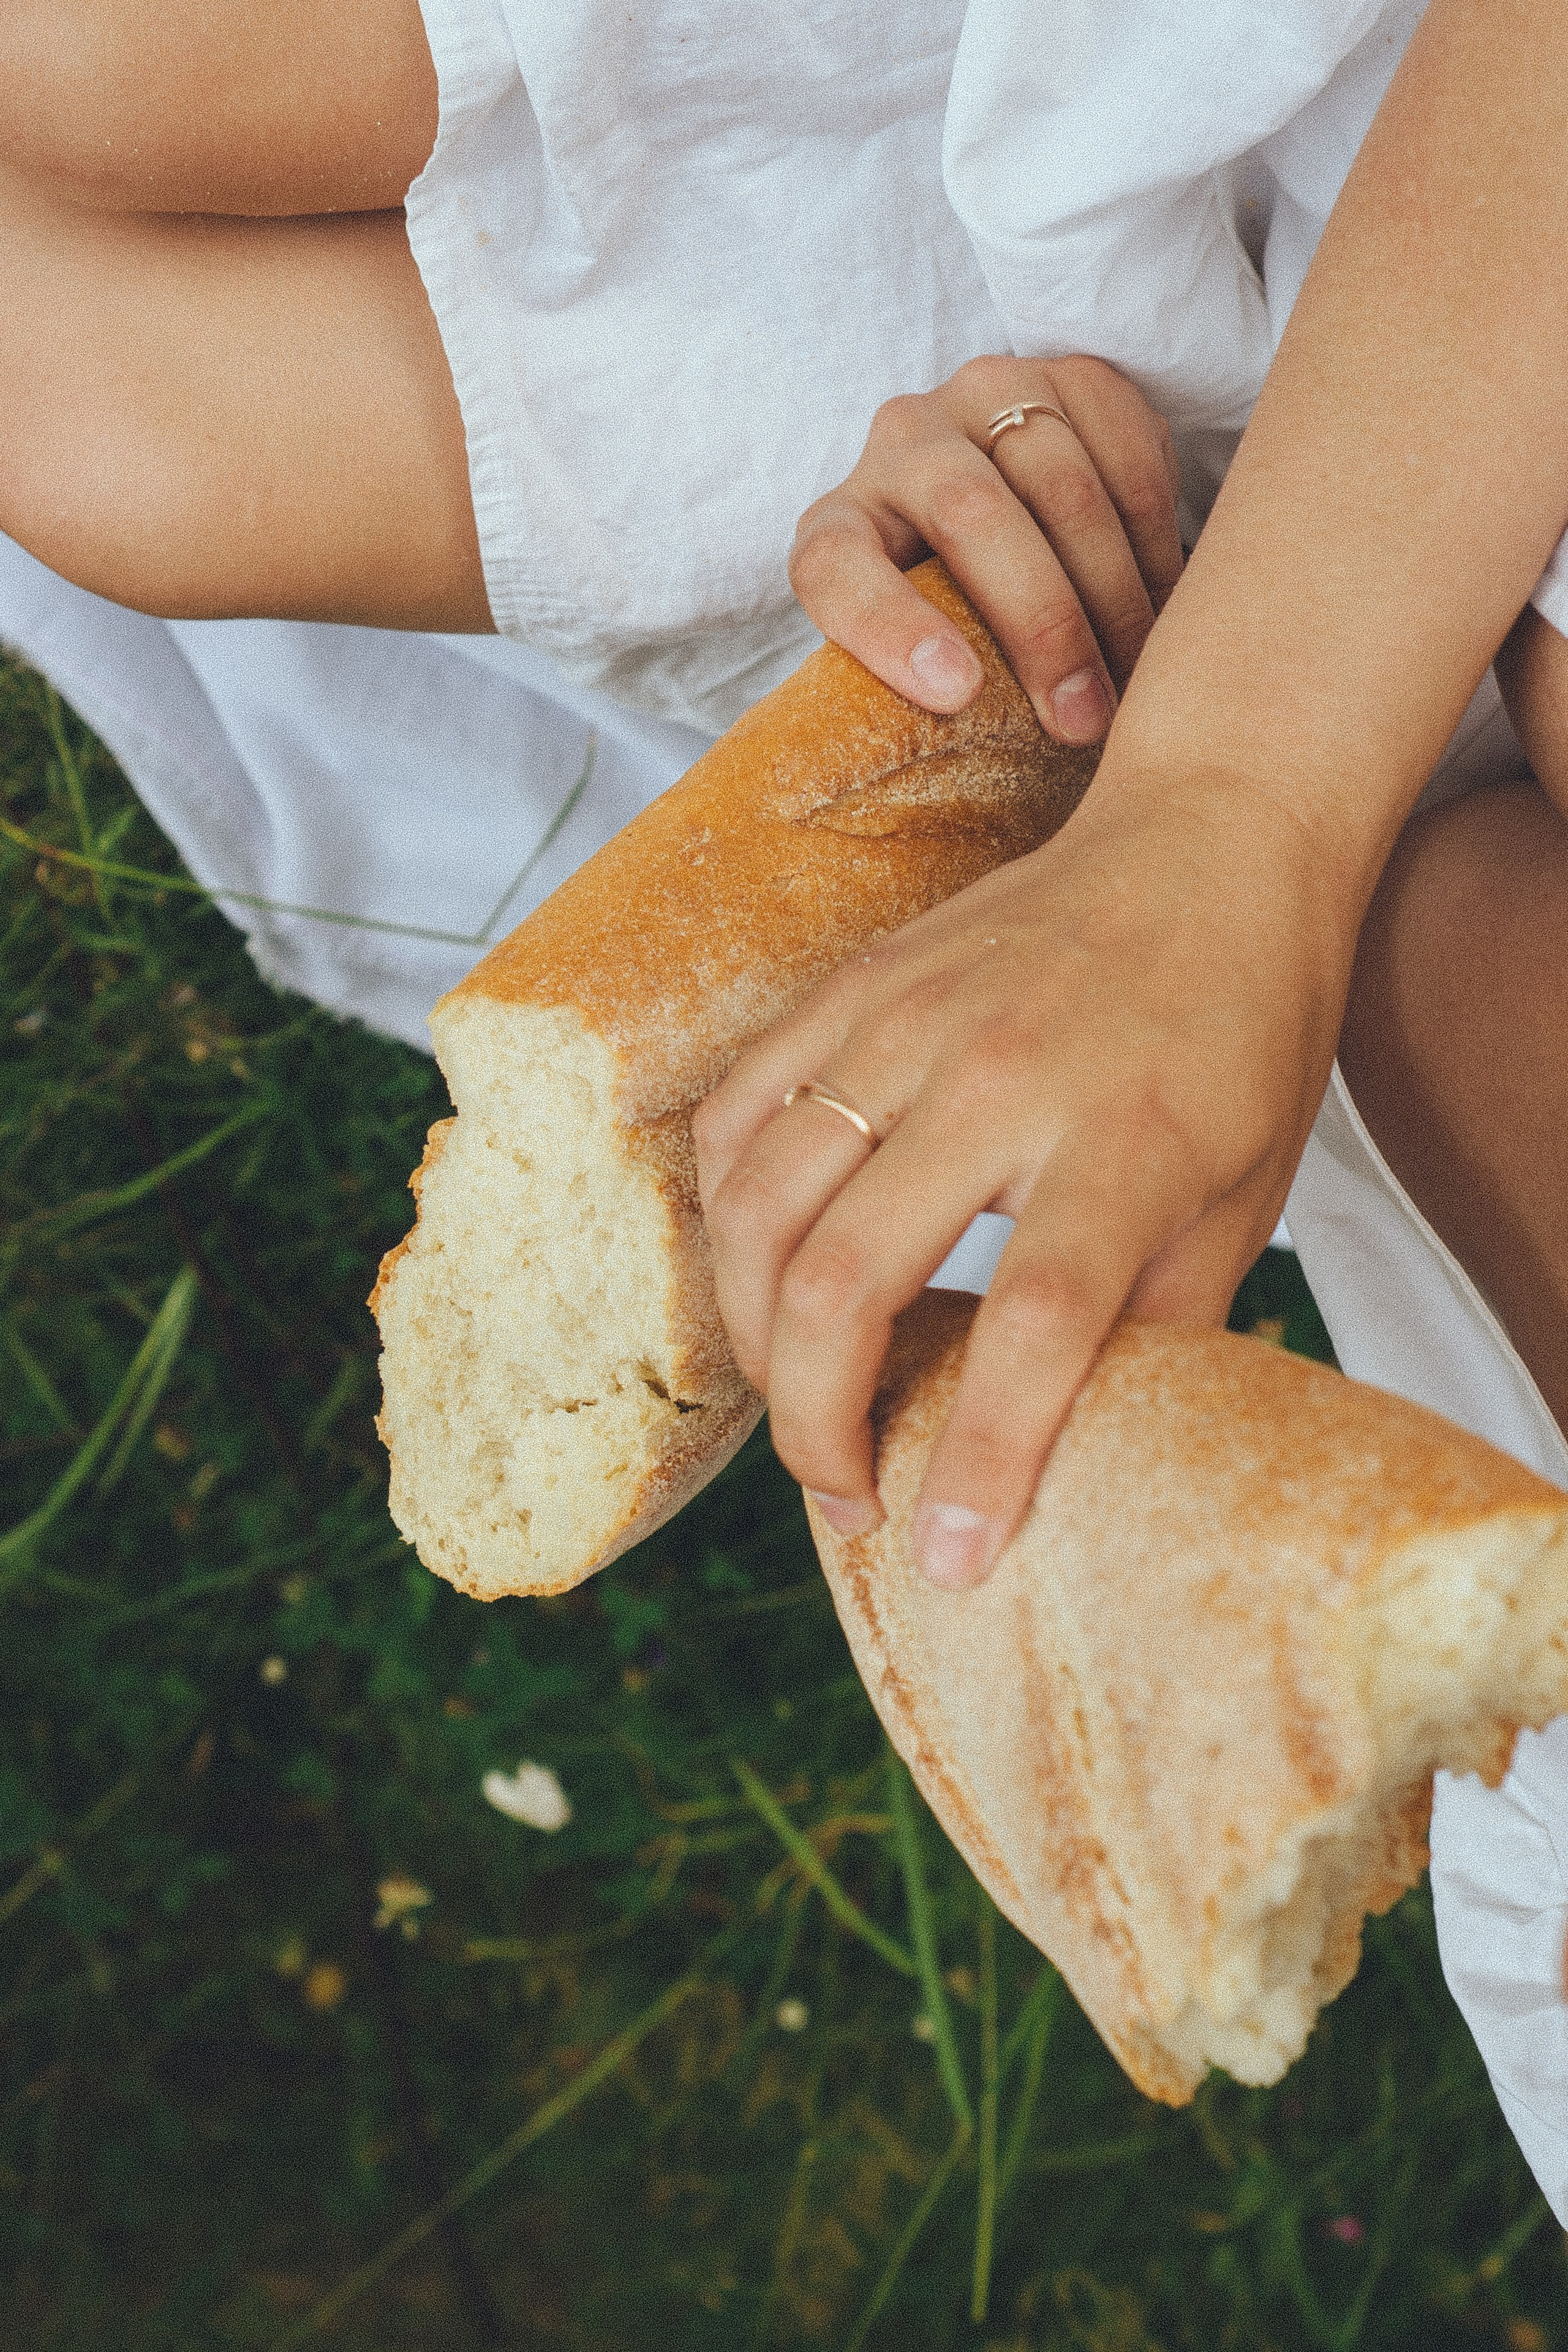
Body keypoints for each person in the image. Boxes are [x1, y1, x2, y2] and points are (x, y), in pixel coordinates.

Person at [4, 0, 1568, 2209]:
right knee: (112, 67)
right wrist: (1238, 795)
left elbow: (1440, 920)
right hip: (1421, 327)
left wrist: (1120, 698)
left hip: (1247, 571)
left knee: (108, 414)